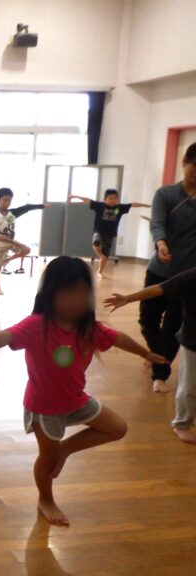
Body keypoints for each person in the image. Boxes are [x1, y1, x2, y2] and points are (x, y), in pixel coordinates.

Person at [0, 256, 167, 526]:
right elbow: (4, 336)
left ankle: (65, 450)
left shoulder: (88, 328)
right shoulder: (37, 325)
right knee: (47, 457)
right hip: (44, 406)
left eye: (82, 293)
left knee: (117, 428)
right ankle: (45, 498)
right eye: (68, 293)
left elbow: (118, 338)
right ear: (50, 294)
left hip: (77, 400)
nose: (76, 300)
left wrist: (145, 353)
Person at [105, 266, 196, 444]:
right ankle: (182, 424)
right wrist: (128, 298)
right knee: (189, 386)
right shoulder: (191, 277)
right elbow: (159, 288)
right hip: (193, 342)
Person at [139, 143, 196, 394]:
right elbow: (157, 224)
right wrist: (161, 243)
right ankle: (156, 355)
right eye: (194, 167)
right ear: (184, 162)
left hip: (187, 277)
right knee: (146, 321)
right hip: (159, 270)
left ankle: (160, 374)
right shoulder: (165, 194)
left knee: (172, 327)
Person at [0, 187, 46, 295]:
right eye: (5, 200)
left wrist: (42, 206)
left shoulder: (13, 213)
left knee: (27, 250)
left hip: (11, 243)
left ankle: (8, 260)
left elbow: (27, 207)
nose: (8, 203)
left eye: (10, 200)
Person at [68, 189, 150, 278]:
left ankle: (100, 271)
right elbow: (88, 200)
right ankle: (100, 255)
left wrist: (145, 205)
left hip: (110, 233)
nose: (113, 200)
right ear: (105, 199)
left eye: (115, 198)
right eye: (110, 198)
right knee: (96, 241)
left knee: (105, 255)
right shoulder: (100, 206)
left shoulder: (119, 208)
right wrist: (76, 197)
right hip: (99, 230)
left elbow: (133, 204)